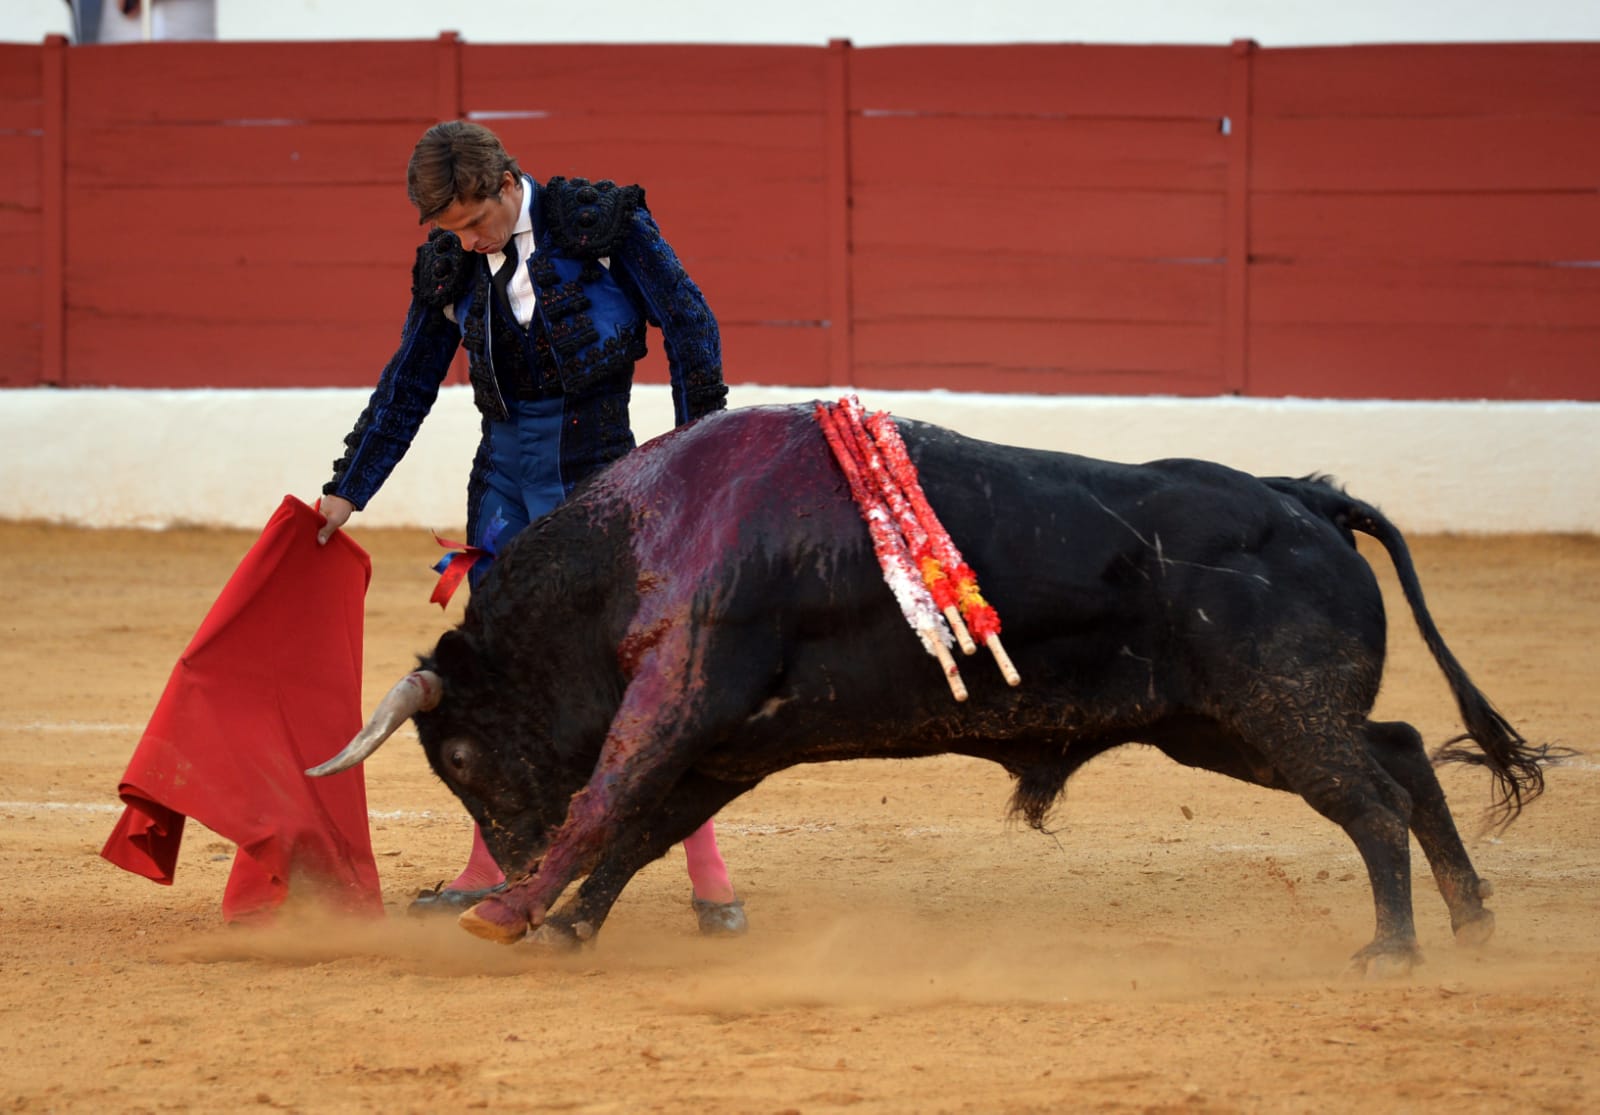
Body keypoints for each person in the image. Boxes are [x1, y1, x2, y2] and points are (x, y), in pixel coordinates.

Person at [313, 120, 744, 935]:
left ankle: (710, 876)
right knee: (497, 679)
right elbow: (407, 383)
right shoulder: (450, 262)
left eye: (477, 222)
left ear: (509, 183)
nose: (471, 242)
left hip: (600, 488)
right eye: (454, 231)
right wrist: (347, 491)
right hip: (503, 498)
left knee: (642, 671)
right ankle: (486, 867)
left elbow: (691, 325)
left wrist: (698, 456)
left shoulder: (599, 226)